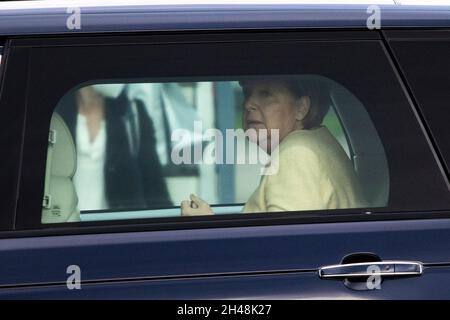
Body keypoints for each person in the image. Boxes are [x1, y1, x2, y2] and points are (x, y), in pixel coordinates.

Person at [181, 75, 367, 215]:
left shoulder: (297, 155)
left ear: (301, 108)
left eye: (266, 93)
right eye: (247, 93)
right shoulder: (316, 142)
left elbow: (282, 249)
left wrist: (211, 231)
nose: (248, 104)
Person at [56, 84, 171, 211]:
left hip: (114, 227)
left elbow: (155, 187)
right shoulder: (56, 111)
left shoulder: (131, 113)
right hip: (66, 226)